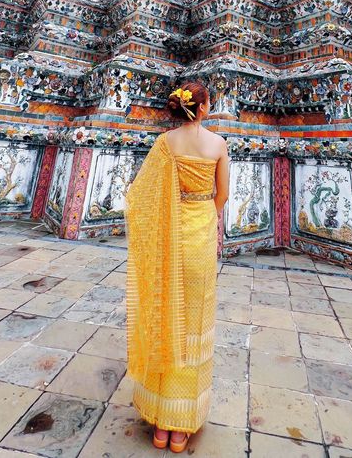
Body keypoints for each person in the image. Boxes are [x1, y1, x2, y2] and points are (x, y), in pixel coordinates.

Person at [125, 80, 229, 453]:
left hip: (170, 237)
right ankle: (180, 427)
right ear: (202, 108)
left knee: (166, 315)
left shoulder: (165, 144)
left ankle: (159, 423)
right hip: (200, 237)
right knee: (194, 324)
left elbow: (140, 195)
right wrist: (204, 217)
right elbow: (223, 196)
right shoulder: (217, 145)